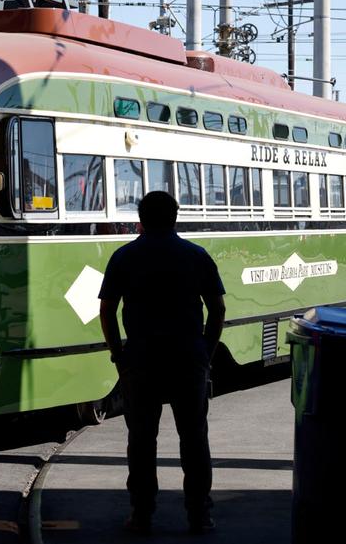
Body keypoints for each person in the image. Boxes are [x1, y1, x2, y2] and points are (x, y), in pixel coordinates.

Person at [97, 190, 227, 535]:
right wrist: (206, 352)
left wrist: (118, 354)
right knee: (194, 439)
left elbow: (107, 310)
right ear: (175, 216)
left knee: (141, 440)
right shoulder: (196, 256)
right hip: (188, 359)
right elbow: (218, 309)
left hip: (140, 360)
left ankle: (141, 514)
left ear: (141, 218)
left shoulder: (124, 257)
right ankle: (199, 514)